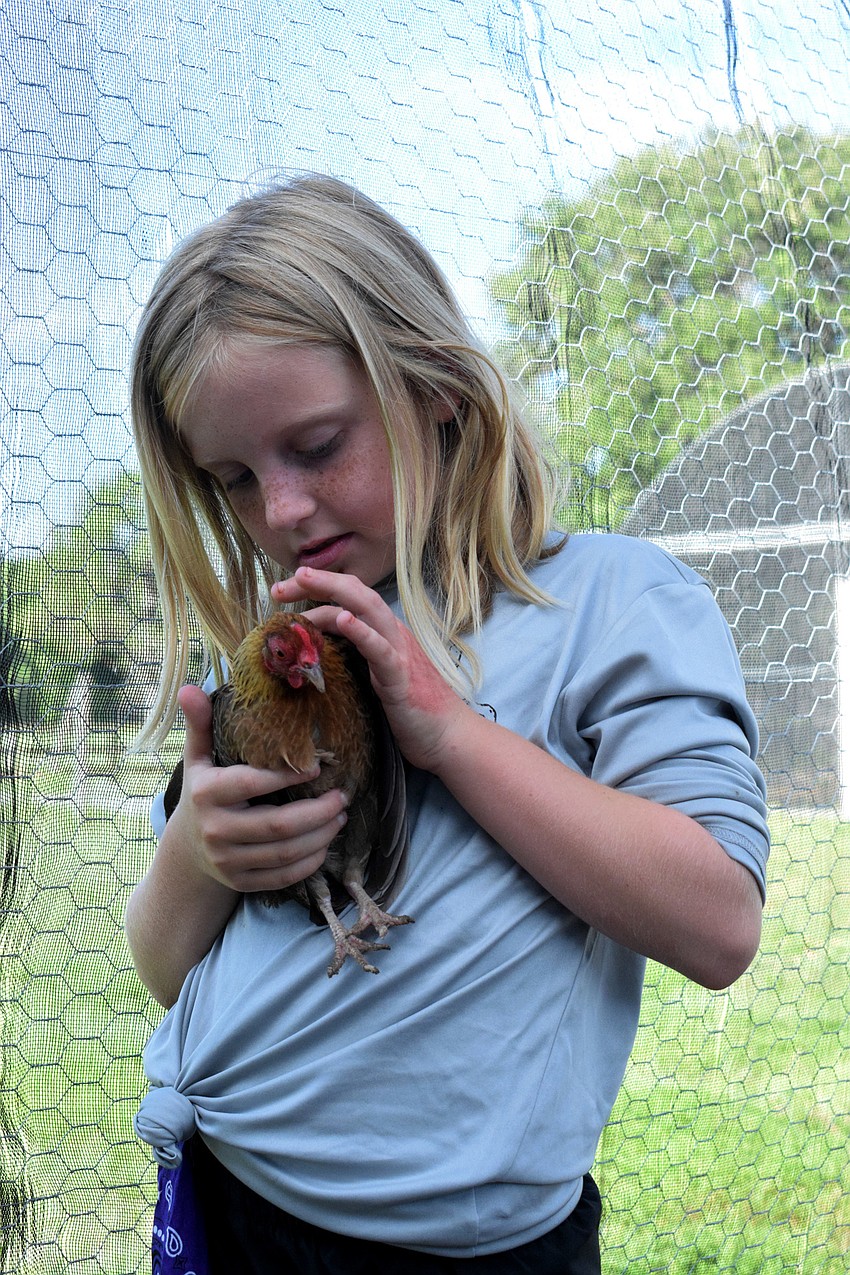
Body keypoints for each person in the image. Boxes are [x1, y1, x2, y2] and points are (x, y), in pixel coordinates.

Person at [126, 174, 769, 1275]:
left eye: (318, 446)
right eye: (233, 479)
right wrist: (198, 852)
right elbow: (167, 965)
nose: (279, 511)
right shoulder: (280, 648)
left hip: (451, 1250)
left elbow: (717, 925)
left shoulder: (608, 606)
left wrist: (452, 734)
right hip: (221, 1189)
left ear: (431, 386)